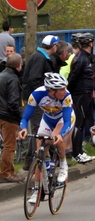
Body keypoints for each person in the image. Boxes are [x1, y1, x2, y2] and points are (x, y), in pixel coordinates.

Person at [19, 73, 75, 202]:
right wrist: (23, 128)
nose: (64, 91)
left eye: (65, 88)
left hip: (63, 119)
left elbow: (66, 121)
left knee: (55, 137)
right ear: (51, 91)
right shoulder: (37, 95)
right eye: (61, 89)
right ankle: (37, 190)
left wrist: (61, 135)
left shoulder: (66, 96)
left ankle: (63, 163)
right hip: (48, 119)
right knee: (39, 152)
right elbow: (25, 117)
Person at [21, 35, 59, 170]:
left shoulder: (41, 57)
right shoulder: (40, 59)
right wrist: (45, 94)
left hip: (38, 98)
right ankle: (33, 159)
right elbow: (34, 79)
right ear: (53, 46)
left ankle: (44, 157)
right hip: (37, 99)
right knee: (39, 129)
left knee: (43, 127)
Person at [67, 32, 95, 163]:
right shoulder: (81, 59)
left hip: (85, 94)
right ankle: (76, 153)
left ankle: (78, 151)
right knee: (79, 123)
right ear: (90, 44)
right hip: (80, 95)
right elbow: (73, 77)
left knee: (82, 123)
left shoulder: (85, 57)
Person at [0, 53, 24, 183]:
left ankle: (10, 171)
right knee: (10, 146)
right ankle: (5, 173)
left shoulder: (1, 75)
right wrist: (20, 116)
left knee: (7, 145)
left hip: (1, 113)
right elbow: (13, 102)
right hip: (8, 116)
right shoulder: (13, 79)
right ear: (19, 65)